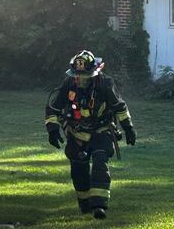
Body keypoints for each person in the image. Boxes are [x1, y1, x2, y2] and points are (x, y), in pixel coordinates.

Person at [45, 50, 136, 219]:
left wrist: (128, 128)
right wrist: (52, 130)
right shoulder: (68, 83)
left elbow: (120, 107)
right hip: (76, 133)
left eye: (85, 76)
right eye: (78, 76)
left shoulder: (105, 83)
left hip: (101, 130)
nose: (81, 80)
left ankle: (99, 206)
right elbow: (53, 108)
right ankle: (85, 205)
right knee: (78, 169)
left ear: (93, 73)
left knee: (100, 160)